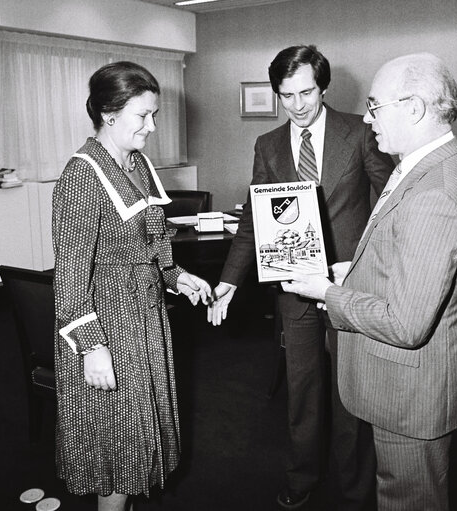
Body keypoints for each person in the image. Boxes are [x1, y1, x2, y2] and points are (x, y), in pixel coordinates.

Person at [281, 53, 457, 510]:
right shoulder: (429, 166)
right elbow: (405, 259)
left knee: (408, 498)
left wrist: (329, 293)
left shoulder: (435, 192)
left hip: (411, 395)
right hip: (415, 386)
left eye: (375, 106)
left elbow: (405, 324)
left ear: (414, 108)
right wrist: (351, 272)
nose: (367, 117)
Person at [208, 45, 393, 510]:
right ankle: (302, 475)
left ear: (323, 87)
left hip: (349, 284)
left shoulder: (359, 133)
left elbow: (391, 205)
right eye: (286, 95)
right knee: (303, 388)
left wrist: (366, 264)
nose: (298, 104)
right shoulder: (268, 145)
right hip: (293, 287)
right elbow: (255, 218)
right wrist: (231, 279)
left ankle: (354, 487)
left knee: (349, 391)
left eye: (306, 91)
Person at [52, 61, 212, 511]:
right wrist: (91, 346)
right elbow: (68, 278)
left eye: (153, 115)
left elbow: (155, 239)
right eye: (143, 116)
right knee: (117, 451)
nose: (152, 126)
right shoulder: (82, 176)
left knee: (139, 437)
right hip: (107, 325)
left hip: (144, 316)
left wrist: (177, 275)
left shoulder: (137, 164)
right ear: (108, 113)